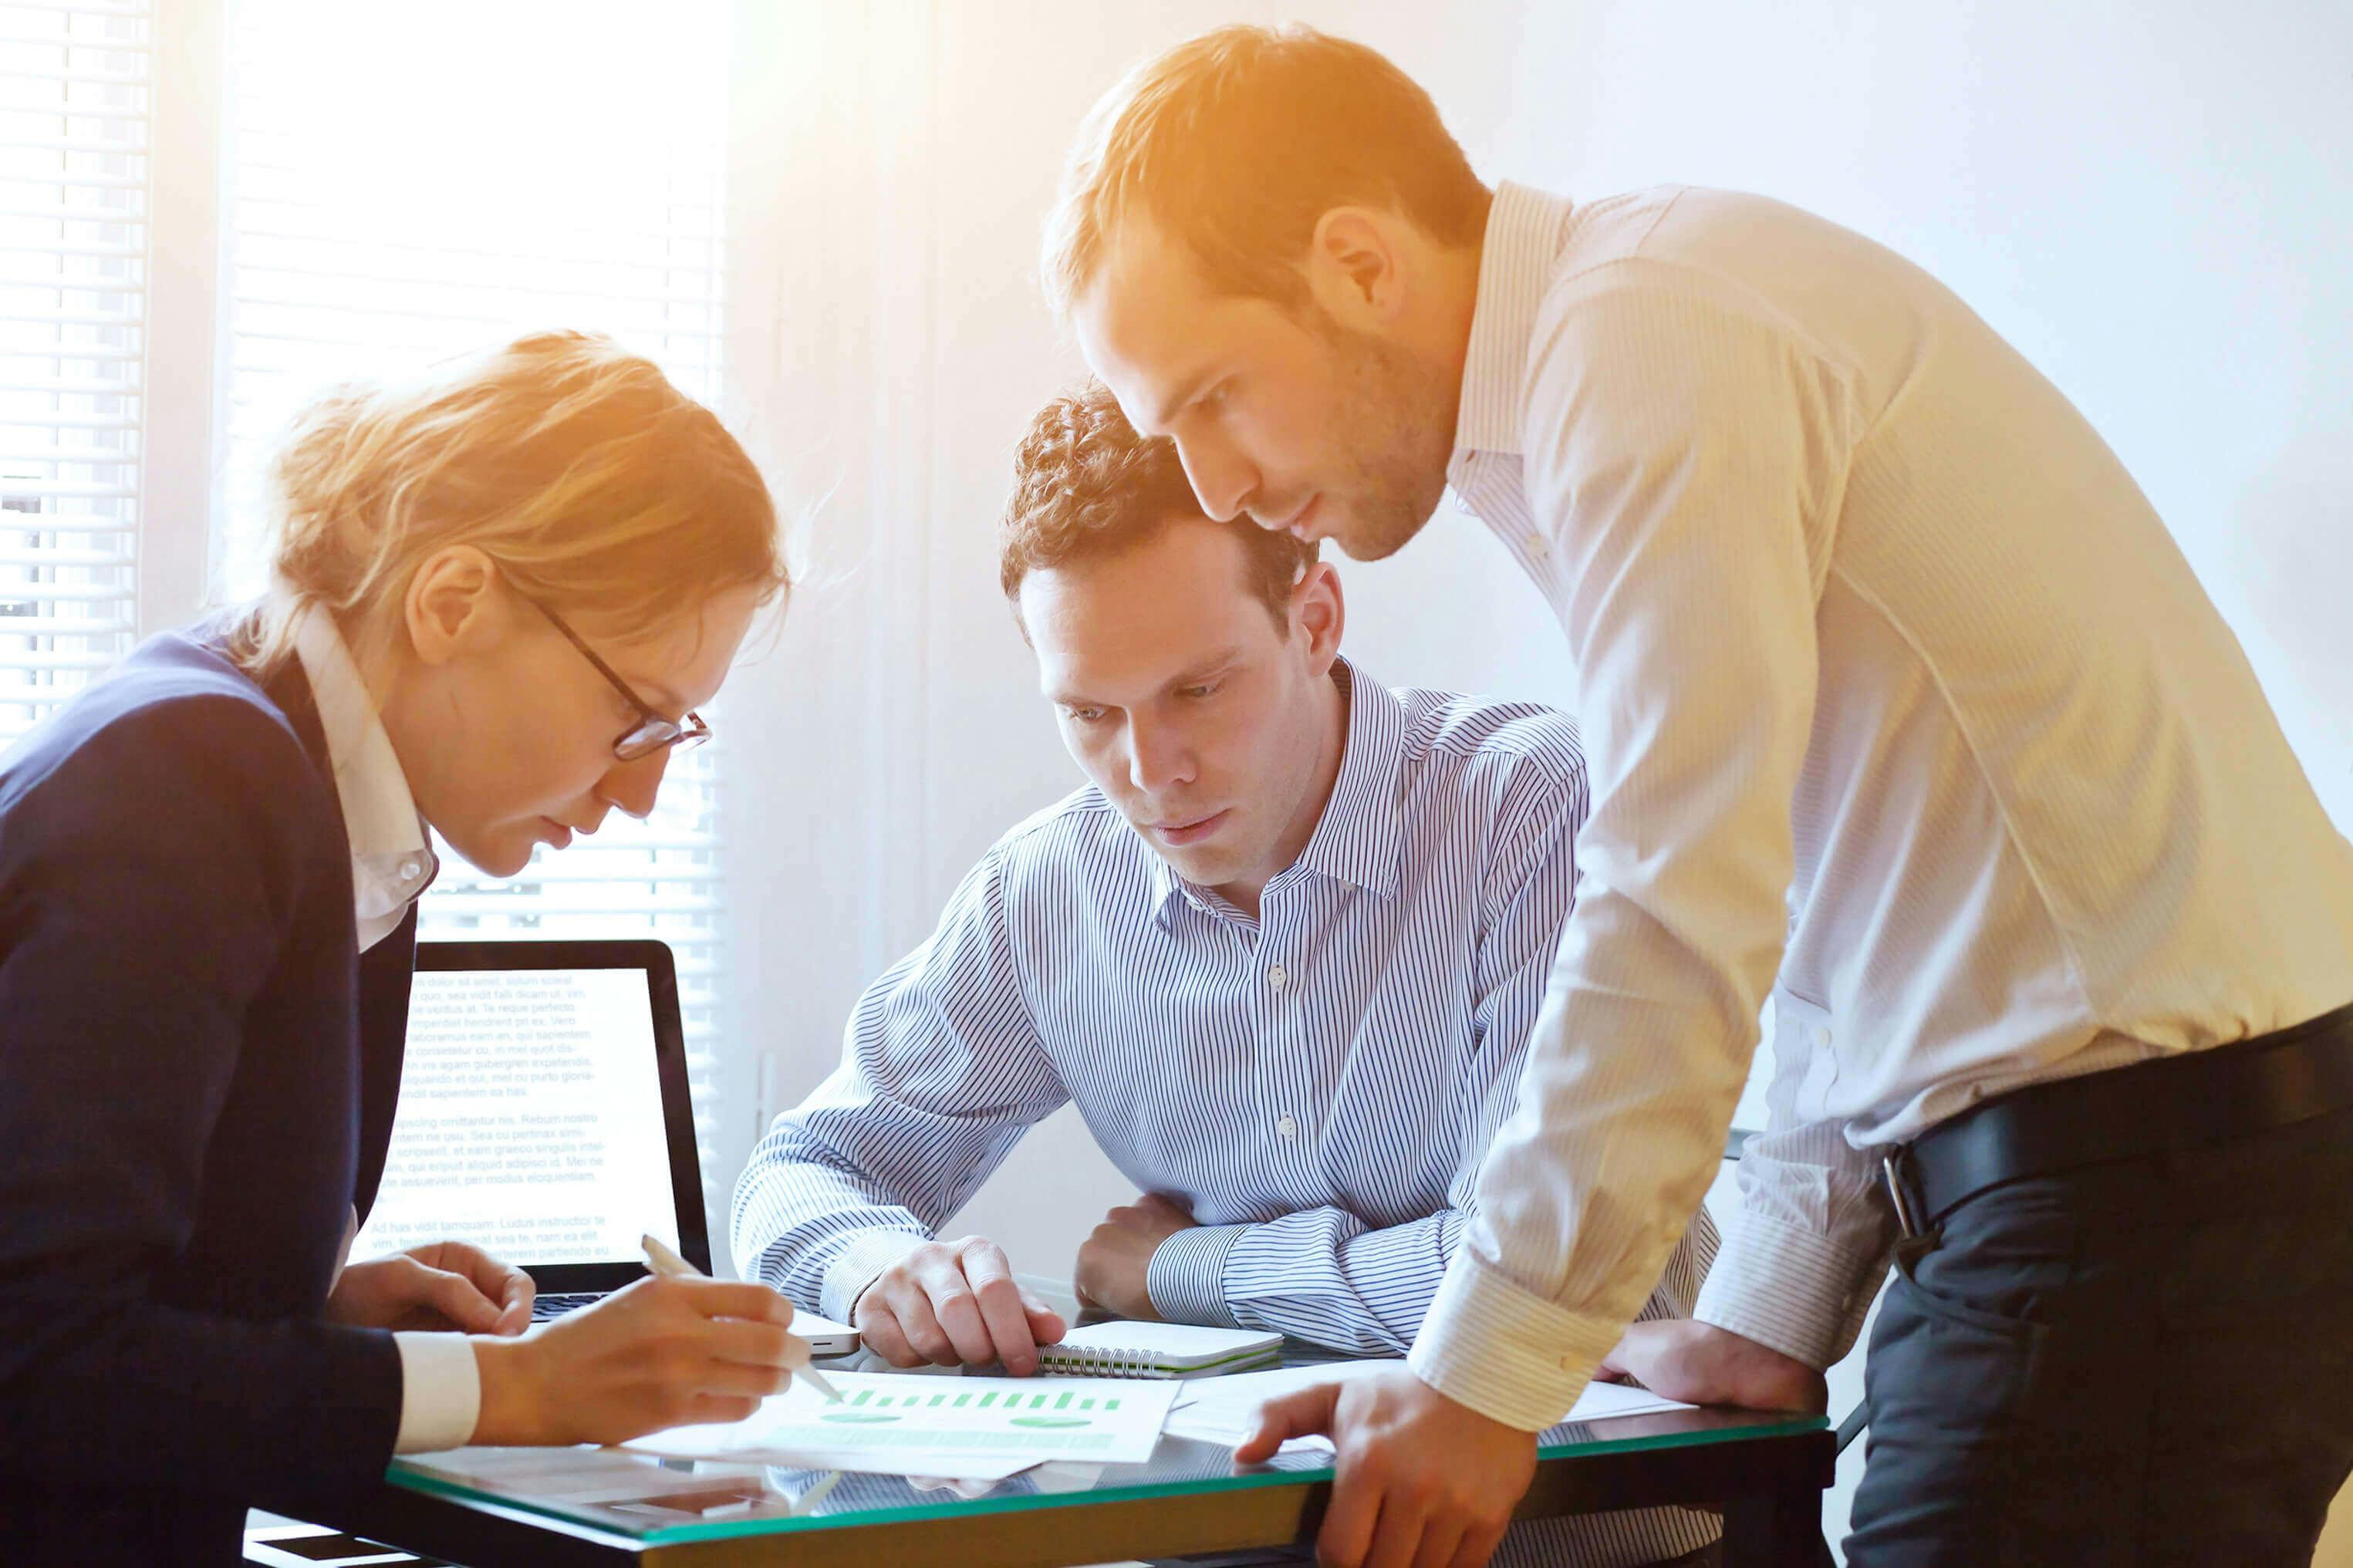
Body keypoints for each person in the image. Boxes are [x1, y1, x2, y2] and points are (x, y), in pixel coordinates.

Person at [1041, 24, 2353, 1568]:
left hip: (2142, 1201)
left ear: (1356, 263)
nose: (1213, 485)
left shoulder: (1642, 343)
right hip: (2137, 1190)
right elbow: (1824, 885)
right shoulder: (1628, 344)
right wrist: (1761, 1316)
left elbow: (1678, 894)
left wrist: (1478, 1377)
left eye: (1210, 397)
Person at [732, 383, 1724, 1568]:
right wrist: (882, 1267)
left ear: (1314, 618)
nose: (1150, 769)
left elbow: (1526, 1292)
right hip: (1240, 1542)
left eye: (1196, 691)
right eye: (1090, 712)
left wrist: (1173, 1267)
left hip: (1592, 1542)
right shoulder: (1048, 890)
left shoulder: (1532, 810)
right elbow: (799, 1172)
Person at [0, 332, 812, 1568]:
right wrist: (519, 1391)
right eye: (632, 717)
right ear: (451, 603)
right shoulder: (193, 783)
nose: (643, 798)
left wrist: (306, 1304)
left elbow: (92, 1272)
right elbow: (38, 1350)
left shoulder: (320, 794)